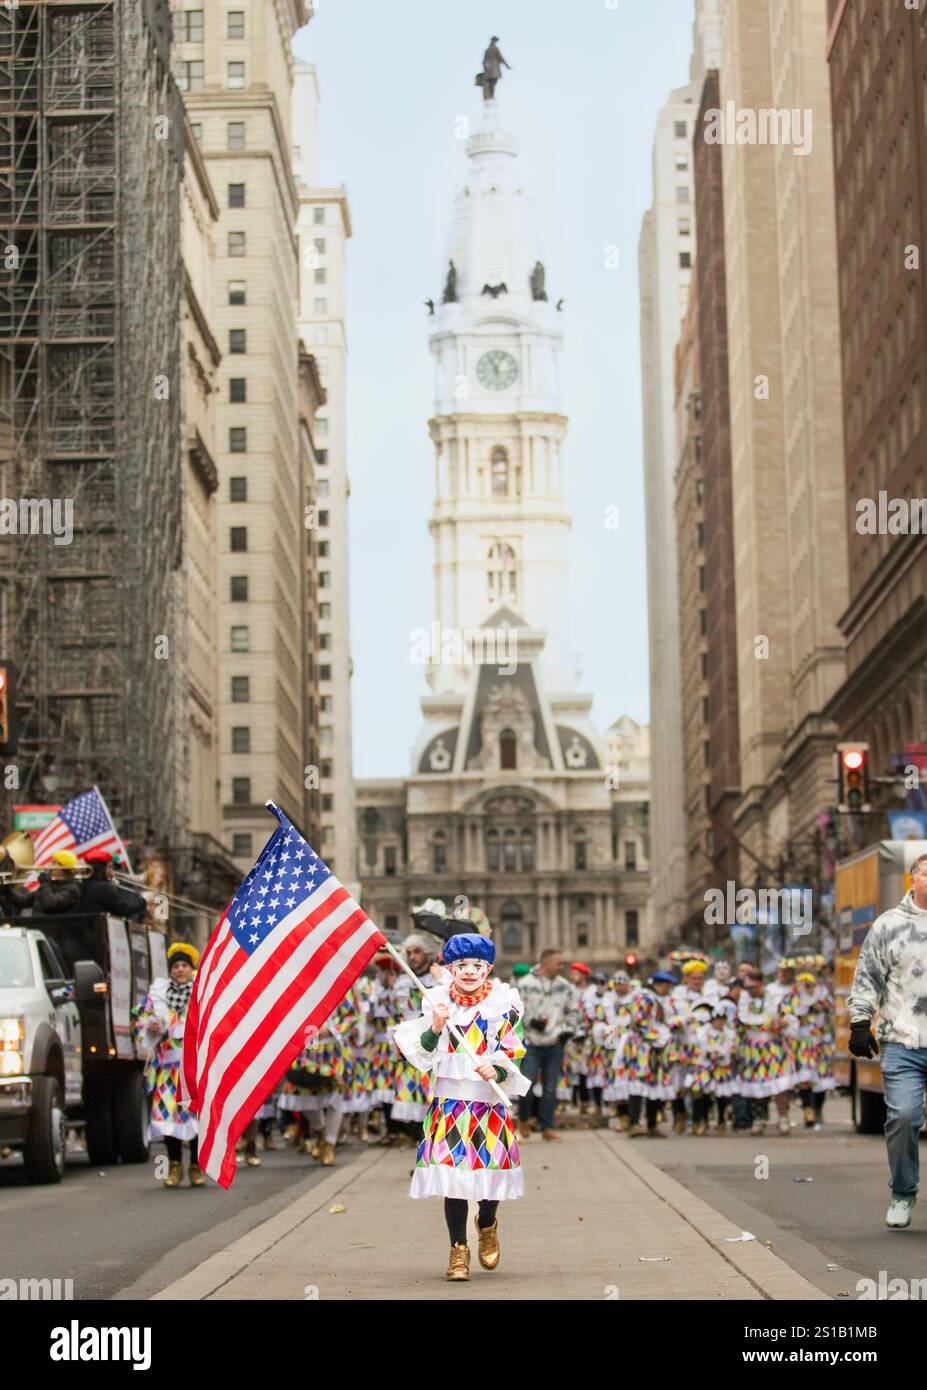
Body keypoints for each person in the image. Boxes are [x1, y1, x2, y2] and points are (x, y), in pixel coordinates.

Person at [393, 932, 530, 1281]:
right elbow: (422, 1054)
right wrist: (436, 1026)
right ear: (450, 968)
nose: (469, 971)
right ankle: (458, 1250)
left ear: (488, 969)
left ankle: (486, 1223)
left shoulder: (503, 1003)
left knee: (488, 1178)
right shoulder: (435, 1001)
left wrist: (495, 1068)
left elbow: (514, 1050)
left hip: (486, 1104)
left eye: (477, 965)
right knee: (452, 1176)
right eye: (462, 965)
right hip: (449, 1103)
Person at [847, 852, 927, 1229]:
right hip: (902, 1039)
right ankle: (902, 1192)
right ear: (912, 879)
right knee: (905, 1116)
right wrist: (860, 1023)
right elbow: (867, 977)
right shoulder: (888, 925)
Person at [133, 942, 202, 1188]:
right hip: (168, 1070)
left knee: (195, 1117)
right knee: (168, 1118)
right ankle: (174, 1166)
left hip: (195, 1068)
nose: (180, 970)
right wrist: (150, 1027)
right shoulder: (157, 995)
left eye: (184, 966)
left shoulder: (202, 993)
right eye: (176, 966)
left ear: (191, 969)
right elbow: (139, 1020)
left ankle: (195, 1166)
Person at [517, 948, 580, 1141]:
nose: (562, 967)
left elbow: (573, 1010)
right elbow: (515, 1009)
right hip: (531, 1042)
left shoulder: (565, 986)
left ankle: (547, 1126)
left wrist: (569, 1029)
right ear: (546, 964)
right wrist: (530, 1021)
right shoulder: (525, 983)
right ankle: (524, 1119)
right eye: (559, 963)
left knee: (551, 1087)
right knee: (527, 1084)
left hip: (555, 1042)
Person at [737, 970, 797, 1136]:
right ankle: (759, 1119)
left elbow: (790, 1018)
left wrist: (784, 1023)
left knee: (781, 1083)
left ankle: (783, 1118)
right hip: (752, 1049)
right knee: (756, 1086)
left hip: (772, 1046)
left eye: (752, 988)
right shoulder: (744, 1000)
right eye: (747, 988)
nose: (750, 991)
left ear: (760, 984)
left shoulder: (776, 999)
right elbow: (737, 1024)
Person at [79, 848, 147, 921]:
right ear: (101, 868)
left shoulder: (83, 883)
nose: (113, 873)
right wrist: (144, 899)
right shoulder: (104, 887)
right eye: (110, 867)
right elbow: (124, 909)